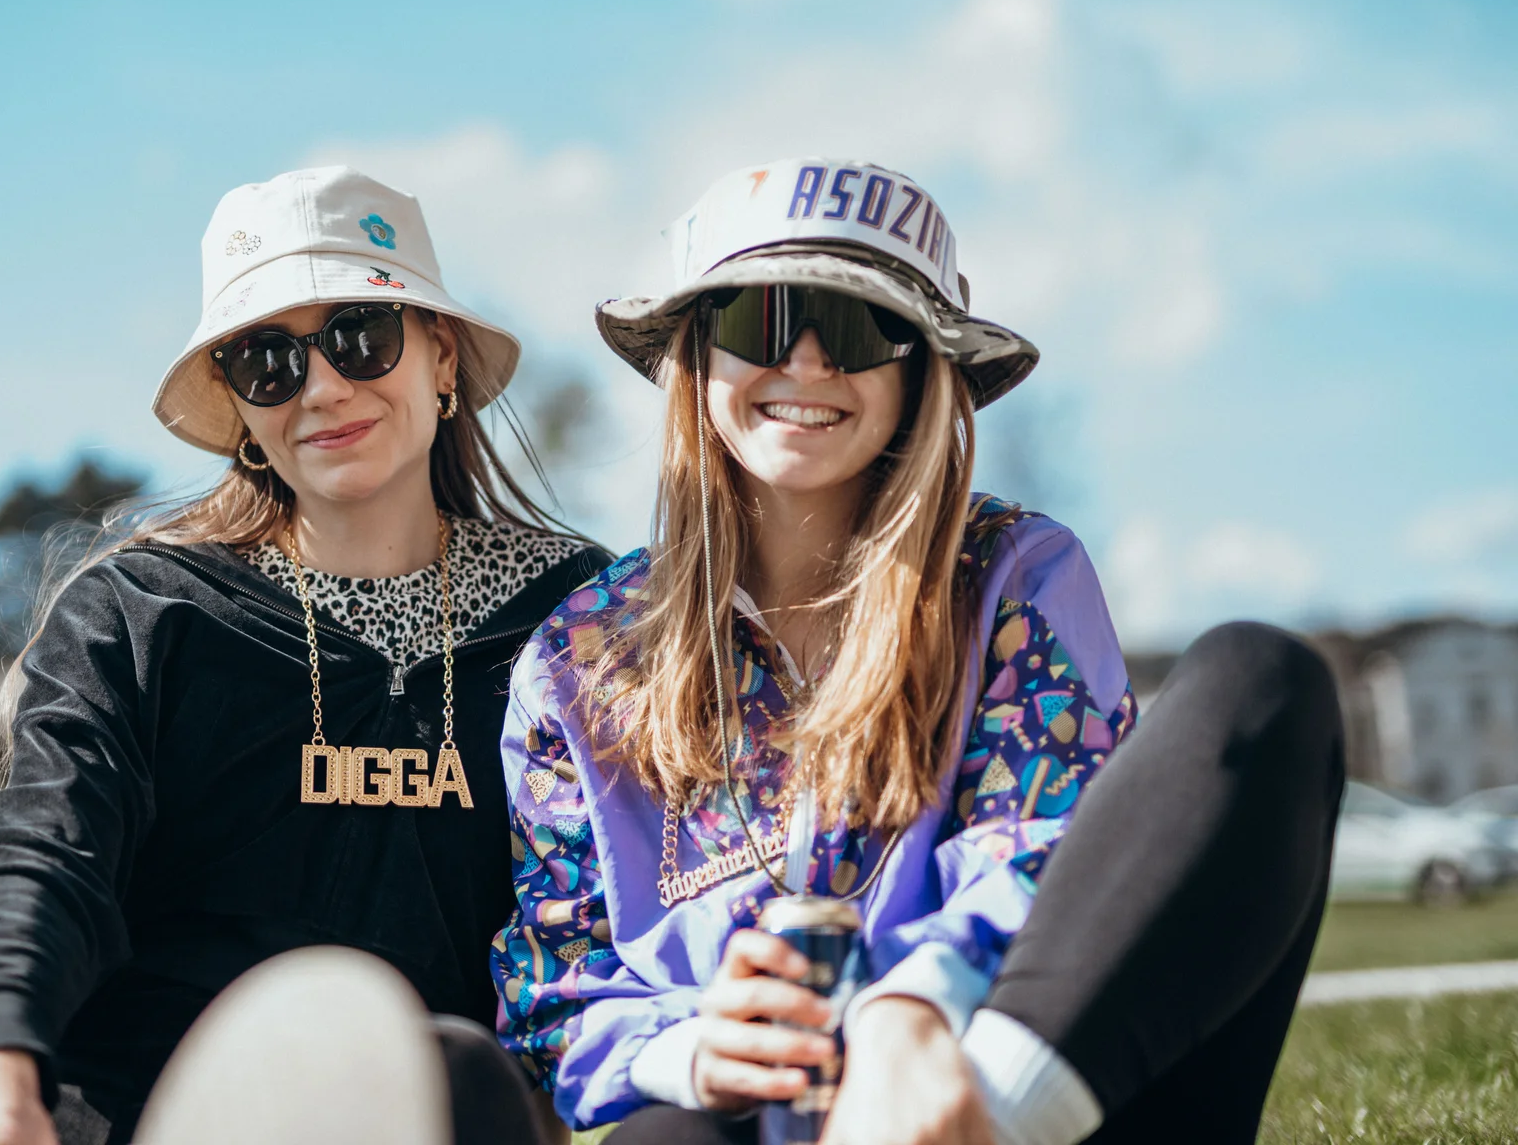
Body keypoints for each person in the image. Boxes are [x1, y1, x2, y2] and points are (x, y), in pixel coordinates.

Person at [492, 158, 1346, 1144]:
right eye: (760, 318)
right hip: (760, 1114)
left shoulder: (1015, 572)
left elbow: (1049, 844)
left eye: (862, 324)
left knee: (1260, 681)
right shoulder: (578, 657)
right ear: (696, 354)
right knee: (667, 1138)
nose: (808, 360)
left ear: (921, 371)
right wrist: (692, 1046)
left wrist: (912, 1007)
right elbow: (552, 981)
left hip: (1025, 1093)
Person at [0, 166, 609, 1145]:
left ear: (442, 355)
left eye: (360, 334)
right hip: (87, 1085)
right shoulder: (141, 611)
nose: (323, 388)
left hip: (386, 1098)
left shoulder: (580, 619)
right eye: (268, 360)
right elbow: (46, 857)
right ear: (240, 406)